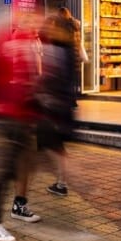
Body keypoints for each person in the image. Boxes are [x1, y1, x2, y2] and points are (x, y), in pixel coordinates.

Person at [0, 13, 44, 241]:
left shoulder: (26, 44)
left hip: (22, 115)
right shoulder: (15, 45)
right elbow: (13, 83)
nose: (36, 24)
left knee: (27, 163)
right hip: (13, 116)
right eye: (32, 20)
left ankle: (17, 207)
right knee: (7, 169)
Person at [38, 14, 77, 197]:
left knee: (50, 143)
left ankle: (64, 179)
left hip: (57, 104)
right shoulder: (67, 47)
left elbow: (54, 76)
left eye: (52, 27)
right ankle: (62, 181)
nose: (49, 30)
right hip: (60, 103)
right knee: (55, 144)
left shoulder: (60, 50)